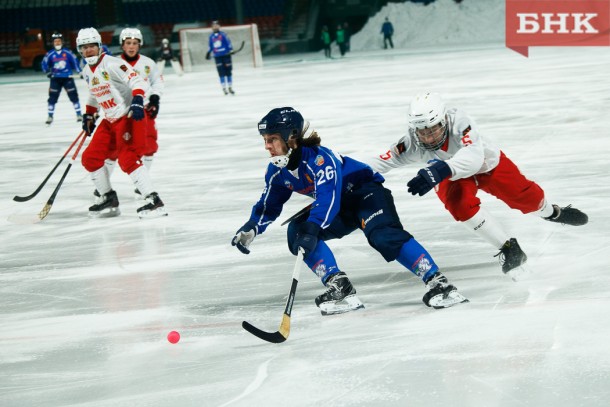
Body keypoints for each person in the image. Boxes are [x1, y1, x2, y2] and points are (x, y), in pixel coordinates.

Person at [231, 107, 467, 315]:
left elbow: (327, 197)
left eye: (272, 139)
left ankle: (438, 283)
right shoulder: (277, 171)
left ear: (291, 136)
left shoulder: (321, 159)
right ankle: (340, 287)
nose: (267, 146)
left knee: (383, 235)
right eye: (265, 139)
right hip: (340, 206)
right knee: (297, 231)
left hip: (366, 194)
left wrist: (313, 227)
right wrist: (252, 227)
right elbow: (269, 204)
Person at [369, 92, 588, 278]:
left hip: (487, 165)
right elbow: (380, 161)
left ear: (444, 120)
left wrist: (438, 170)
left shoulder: (461, 123)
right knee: (459, 207)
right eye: (422, 131)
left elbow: (473, 157)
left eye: (433, 128)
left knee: (529, 199)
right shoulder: (411, 143)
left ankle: (552, 213)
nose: (428, 136)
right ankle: (509, 248)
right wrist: (346, 173)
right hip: (451, 175)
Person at [76, 27, 167, 219]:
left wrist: (137, 100)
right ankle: (108, 197)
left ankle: (154, 201)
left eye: (91, 46)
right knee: (90, 157)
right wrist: (89, 115)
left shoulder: (113, 64)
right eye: (84, 48)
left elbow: (139, 83)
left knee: (127, 158)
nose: (88, 51)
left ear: (99, 46)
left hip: (128, 117)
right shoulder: (86, 70)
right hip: (109, 120)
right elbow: (94, 93)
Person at [41, 32, 83, 125]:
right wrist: (47, 71)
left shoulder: (68, 53)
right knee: (52, 97)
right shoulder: (50, 54)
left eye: (59, 41)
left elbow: (75, 62)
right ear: (53, 43)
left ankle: (79, 114)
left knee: (74, 96)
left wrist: (80, 72)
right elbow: (44, 64)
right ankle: (50, 116)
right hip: (55, 79)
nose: (57, 43)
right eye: (55, 41)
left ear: (62, 42)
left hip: (68, 78)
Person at [205, 21, 234, 95]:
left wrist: (231, 50)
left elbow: (228, 43)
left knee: (228, 72)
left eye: (216, 25)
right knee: (221, 72)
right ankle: (224, 88)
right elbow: (210, 46)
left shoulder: (223, 34)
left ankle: (230, 87)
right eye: (213, 26)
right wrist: (208, 52)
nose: (215, 27)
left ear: (219, 26)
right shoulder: (211, 36)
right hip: (217, 57)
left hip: (226, 55)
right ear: (211, 27)